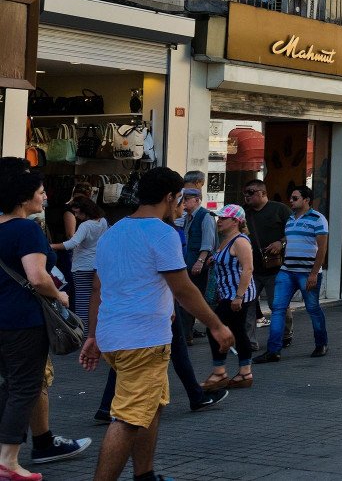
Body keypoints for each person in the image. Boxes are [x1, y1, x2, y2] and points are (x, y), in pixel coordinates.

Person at [81, 167, 234, 481]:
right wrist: (216, 325)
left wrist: (93, 335)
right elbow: (183, 288)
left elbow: (98, 288)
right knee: (127, 419)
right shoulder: (161, 233)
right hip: (143, 341)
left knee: (151, 406)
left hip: (116, 336)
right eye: (179, 200)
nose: (180, 207)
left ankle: (145, 474)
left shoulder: (113, 232)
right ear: (170, 197)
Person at [0, 163, 92, 478]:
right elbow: (37, 278)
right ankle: (8, 461)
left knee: (7, 385)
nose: (45, 197)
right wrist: (59, 296)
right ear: (24, 198)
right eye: (40, 193)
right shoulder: (26, 230)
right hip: (24, 320)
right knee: (26, 386)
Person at [254, 185, 330, 363]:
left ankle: (321, 343)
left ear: (306, 200)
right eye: (291, 198)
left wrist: (313, 274)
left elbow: (322, 249)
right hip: (287, 271)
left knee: (313, 308)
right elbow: (291, 239)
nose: (291, 201)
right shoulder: (289, 219)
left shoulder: (318, 219)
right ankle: (273, 351)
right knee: (278, 309)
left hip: (307, 273)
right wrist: (281, 242)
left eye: (295, 198)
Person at [201, 204, 257, 390]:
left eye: (223, 218)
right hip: (228, 293)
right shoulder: (226, 239)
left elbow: (248, 268)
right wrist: (213, 261)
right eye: (219, 217)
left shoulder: (240, 241)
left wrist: (239, 297)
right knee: (238, 331)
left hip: (237, 295)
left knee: (214, 329)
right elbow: (227, 261)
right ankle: (245, 373)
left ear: (235, 221)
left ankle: (220, 373)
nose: (219, 221)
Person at [241, 179, 290, 346]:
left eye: (251, 192)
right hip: (252, 268)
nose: (247, 196)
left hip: (276, 267)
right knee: (248, 304)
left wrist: (281, 243)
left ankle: (284, 335)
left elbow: (293, 232)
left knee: (276, 304)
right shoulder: (245, 213)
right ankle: (250, 342)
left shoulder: (279, 209)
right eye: (245, 193)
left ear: (263, 193)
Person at [52, 196, 106, 328]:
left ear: (85, 210)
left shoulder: (85, 225)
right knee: (94, 301)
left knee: (82, 302)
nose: (76, 215)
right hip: (96, 266)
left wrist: (51, 246)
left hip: (81, 267)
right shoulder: (103, 221)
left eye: (77, 212)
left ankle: (84, 334)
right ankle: (94, 332)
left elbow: (72, 243)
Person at [178, 181, 215, 341]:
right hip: (187, 263)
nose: (184, 202)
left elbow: (208, 242)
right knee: (186, 299)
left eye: (187, 199)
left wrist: (200, 261)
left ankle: (187, 334)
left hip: (197, 265)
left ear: (197, 200)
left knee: (190, 298)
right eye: (183, 199)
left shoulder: (205, 216)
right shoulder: (188, 217)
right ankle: (188, 332)